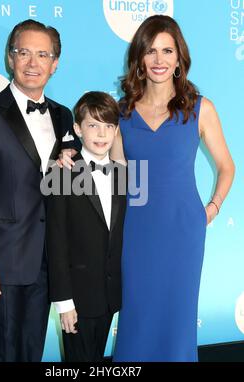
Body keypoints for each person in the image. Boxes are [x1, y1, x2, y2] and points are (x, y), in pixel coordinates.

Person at [111, 15, 235, 362]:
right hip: (134, 232)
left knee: (177, 318)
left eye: (167, 50)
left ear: (179, 58)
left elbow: (227, 166)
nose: (160, 59)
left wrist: (212, 208)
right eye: (151, 51)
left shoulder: (200, 108)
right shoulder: (121, 112)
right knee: (137, 315)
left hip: (183, 232)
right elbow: (116, 177)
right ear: (139, 58)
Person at [0, 19, 81, 362]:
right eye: (23, 52)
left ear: (55, 64)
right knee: (3, 353)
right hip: (3, 262)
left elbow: (67, 188)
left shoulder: (63, 115)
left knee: (32, 352)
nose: (32, 63)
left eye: (43, 55)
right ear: (10, 58)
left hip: (48, 260)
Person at [44, 91, 127, 362]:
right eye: (93, 125)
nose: (101, 134)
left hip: (109, 296)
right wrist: (64, 302)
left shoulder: (124, 174)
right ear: (78, 129)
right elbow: (55, 241)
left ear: (116, 131)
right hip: (77, 299)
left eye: (108, 126)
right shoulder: (61, 172)